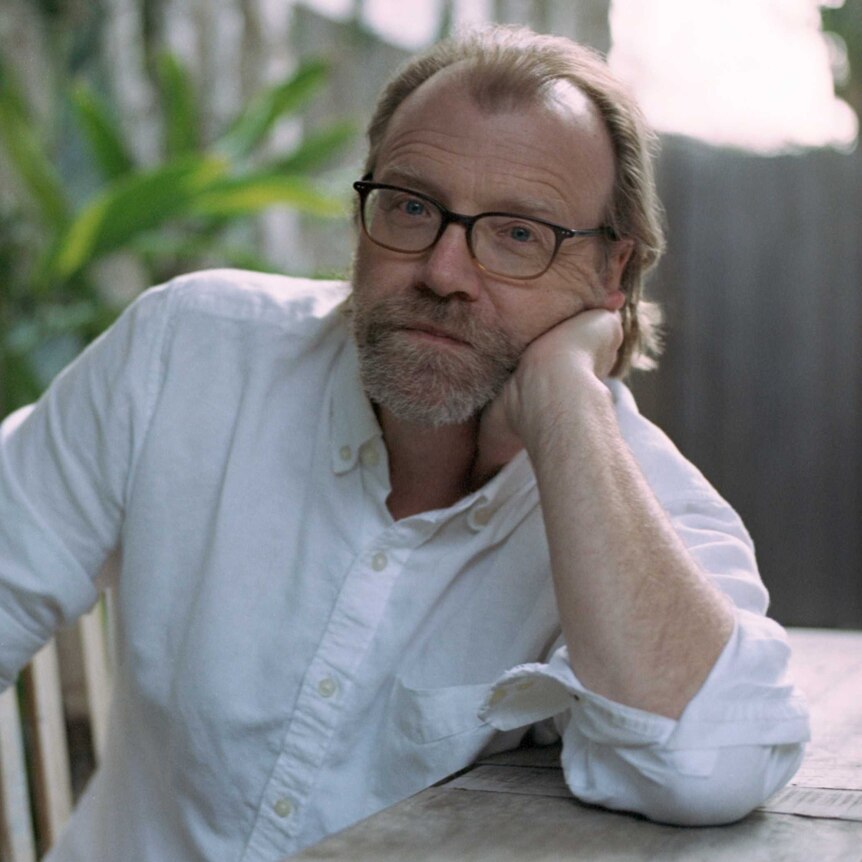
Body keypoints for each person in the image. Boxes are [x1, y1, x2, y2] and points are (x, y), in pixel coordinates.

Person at [0, 24, 809, 862]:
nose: (445, 272)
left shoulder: (638, 504)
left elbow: (709, 765)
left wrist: (566, 397)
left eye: (518, 234)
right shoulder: (188, 353)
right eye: (413, 208)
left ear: (611, 275)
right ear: (363, 218)